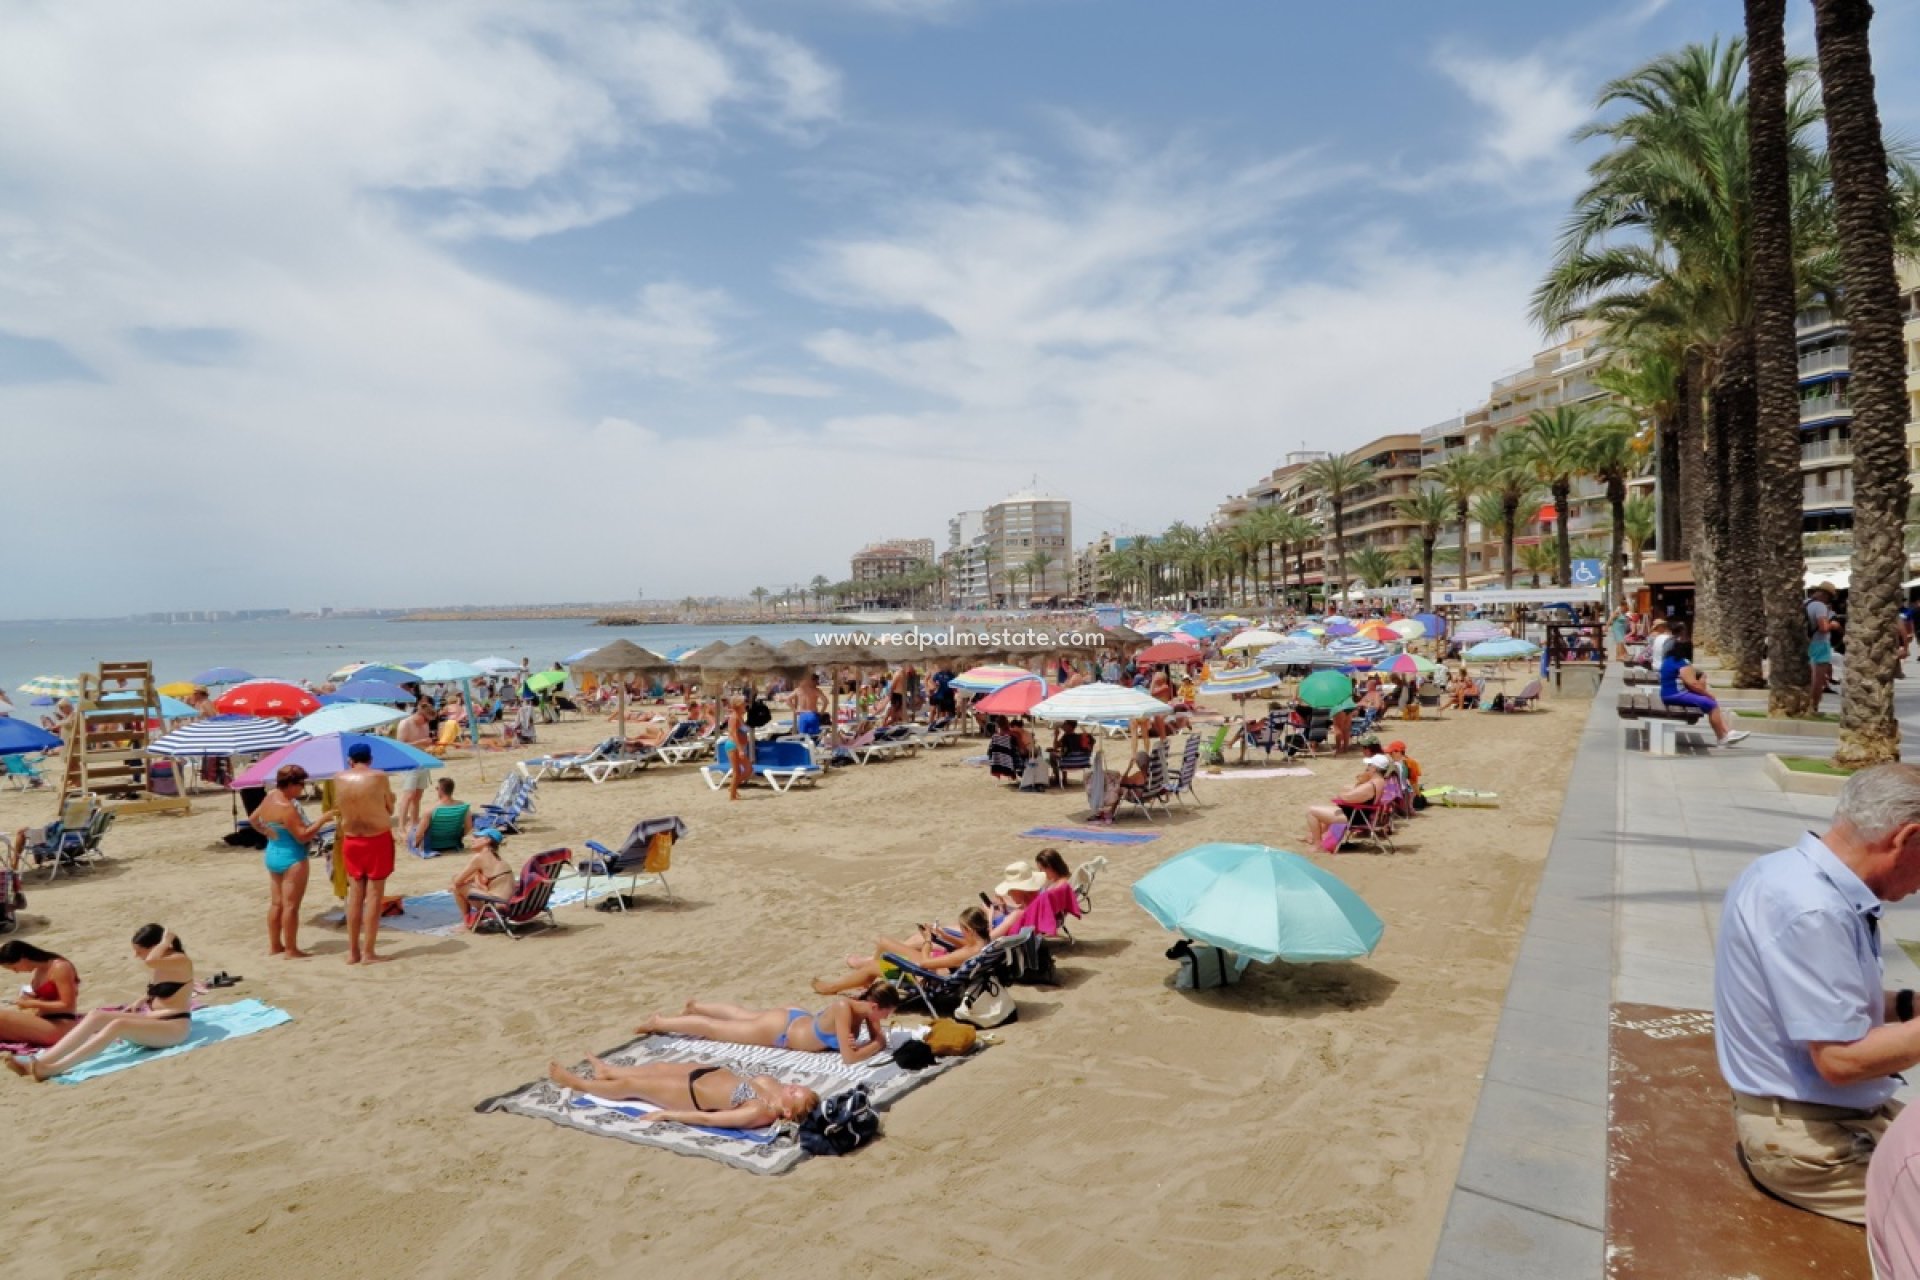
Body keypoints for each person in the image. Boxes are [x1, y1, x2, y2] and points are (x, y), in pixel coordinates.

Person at [1715, 764, 1920, 1224]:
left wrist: (1908, 1006)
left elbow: (1819, 1004)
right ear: (1907, 838)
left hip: (1827, 1120)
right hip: (1812, 1146)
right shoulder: (1814, 910)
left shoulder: (1785, 872)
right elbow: (1842, 1061)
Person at [8, 925, 192, 1082]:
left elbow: (152, 961)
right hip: (153, 1021)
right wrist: (142, 999)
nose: (136, 956)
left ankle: (53, 1068)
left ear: (155, 947)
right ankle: (43, 1060)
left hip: (173, 1027)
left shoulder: (180, 960)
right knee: (97, 1015)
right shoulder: (164, 964)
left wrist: (166, 940)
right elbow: (165, 987)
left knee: (118, 1024)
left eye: (139, 951)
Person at [636, 987, 899, 1066]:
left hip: (793, 1019)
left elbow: (872, 1041)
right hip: (782, 1032)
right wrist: (876, 1044)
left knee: (743, 1015)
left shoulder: (863, 1009)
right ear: (876, 1007)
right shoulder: (845, 1008)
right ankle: (660, 1022)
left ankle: (696, 1006)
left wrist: (876, 1040)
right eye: (886, 1014)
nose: (885, 1021)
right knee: (715, 1030)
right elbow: (850, 1058)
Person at [545, 1056, 818, 1131]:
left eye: (797, 1094)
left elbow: (711, 1120)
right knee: (659, 1068)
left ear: (788, 1112)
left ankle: (578, 1083)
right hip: (709, 1072)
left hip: (691, 1094)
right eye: (798, 1087)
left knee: (632, 1087)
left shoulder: (759, 1111)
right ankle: (608, 1070)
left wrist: (667, 1114)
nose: (794, 1087)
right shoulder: (773, 1089)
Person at [249, 764, 333, 959]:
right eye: (301, 785)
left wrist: (267, 831)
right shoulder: (287, 808)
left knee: (276, 904)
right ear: (291, 784)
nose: (302, 789)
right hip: (292, 858)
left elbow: (253, 819)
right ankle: (291, 949)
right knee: (291, 906)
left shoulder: (270, 797)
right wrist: (323, 820)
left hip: (273, 853)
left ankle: (275, 945)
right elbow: (303, 836)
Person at [813, 906, 992, 996]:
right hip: (938, 971)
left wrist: (928, 942)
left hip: (928, 977)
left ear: (970, 930)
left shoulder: (968, 953)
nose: (961, 932)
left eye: (962, 929)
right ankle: (865, 981)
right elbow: (964, 945)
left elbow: (924, 963)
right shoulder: (983, 944)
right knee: (884, 943)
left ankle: (832, 988)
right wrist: (943, 935)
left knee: (874, 966)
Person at [336, 744, 397, 965]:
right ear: (370, 759)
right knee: (373, 896)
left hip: (351, 839)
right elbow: (389, 807)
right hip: (376, 838)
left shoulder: (338, 778)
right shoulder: (379, 776)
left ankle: (353, 952)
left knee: (355, 896)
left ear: (350, 760)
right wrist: (392, 798)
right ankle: (368, 953)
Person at [1660, 639, 1749, 747]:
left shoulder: (1669, 660)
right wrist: (1706, 692)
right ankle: (1722, 737)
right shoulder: (1682, 662)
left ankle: (1728, 732)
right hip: (1675, 695)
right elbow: (1692, 684)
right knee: (1711, 704)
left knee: (1709, 702)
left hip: (1668, 694)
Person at [0, 940, 80, 1048]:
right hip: (45, 1020)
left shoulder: (60, 967)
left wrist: (33, 1003)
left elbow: (67, 1004)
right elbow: (47, 997)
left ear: (23, 958)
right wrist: (31, 998)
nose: (16, 972)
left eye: (14, 967)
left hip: (61, 1024)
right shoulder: (40, 971)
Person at [1305, 755, 1390, 849]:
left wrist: (1341, 794)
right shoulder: (1379, 781)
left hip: (1354, 817)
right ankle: (1311, 837)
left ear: (1374, 768)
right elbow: (1354, 793)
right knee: (1328, 811)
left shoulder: (1371, 785)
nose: (1367, 768)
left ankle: (1318, 844)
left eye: (1369, 765)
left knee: (1311, 812)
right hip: (1358, 814)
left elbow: (1348, 798)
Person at [451, 829, 517, 922]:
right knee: (471, 880)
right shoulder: (498, 859)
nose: (473, 839)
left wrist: (457, 883)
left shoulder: (480, 857)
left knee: (458, 887)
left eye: (477, 837)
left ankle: (466, 922)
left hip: (496, 904)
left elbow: (457, 880)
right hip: (508, 903)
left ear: (487, 840)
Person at [393, 705, 432, 831]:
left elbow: (424, 743)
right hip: (408, 761)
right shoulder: (405, 723)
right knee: (409, 795)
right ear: (420, 715)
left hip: (422, 760)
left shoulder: (424, 725)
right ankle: (401, 826)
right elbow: (400, 746)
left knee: (418, 795)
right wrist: (420, 743)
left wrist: (428, 745)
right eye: (426, 720)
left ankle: (414, 822)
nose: (427, 723)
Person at [410, 775, 472, 852]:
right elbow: (469, 827)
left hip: (434, 845)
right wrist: (458, 837)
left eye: (437, 788)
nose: (436, 790)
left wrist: (415, 845)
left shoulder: (431, 810)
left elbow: (419, 835)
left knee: (412, 829)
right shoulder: (463, 807)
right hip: (452, 842)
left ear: (441, 790)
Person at [1809, 584, 1838, 708]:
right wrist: (1834, 625)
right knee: (1818, 678)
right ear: (1825, 595)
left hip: (1806, 643)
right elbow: (1824, 627)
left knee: (1808, 675)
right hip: (1820, 643)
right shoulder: (1820, 606)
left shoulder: (1805, 603)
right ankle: (1814, 705)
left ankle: (1804, 703)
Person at [725, 694, 752, 802]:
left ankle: (732, 788)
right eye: (743, 702)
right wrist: (740, 749)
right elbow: (734, 734)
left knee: (748, 769)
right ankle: (732, 795)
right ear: (738, 704)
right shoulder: (734, 717)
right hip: (734, 746)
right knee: (738, 771)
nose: (745, 704)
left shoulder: (740, 716)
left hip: (739, 745)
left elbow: (742, 732)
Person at [792, 671, 825, 737]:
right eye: (816, 681)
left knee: (802, 737)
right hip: (813, 715)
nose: (817, 683)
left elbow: (788, 700)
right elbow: (826, 702)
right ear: (811, 681)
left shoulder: (798, 689)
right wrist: (821, 712)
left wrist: (794, 710)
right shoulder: (816, 690)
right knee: (814, 737)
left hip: (802, 715)